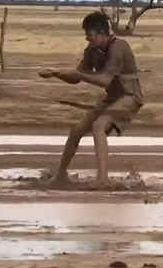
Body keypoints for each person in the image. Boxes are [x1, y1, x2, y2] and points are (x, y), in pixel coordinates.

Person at [39, 12, 144, 188]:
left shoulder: (118, 47)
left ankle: (103, 179)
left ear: (102, 33)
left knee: (99, 126)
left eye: (91, 35)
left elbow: (105, 80)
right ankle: (60, 175)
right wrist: (56, 74)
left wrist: (78, 74)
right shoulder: (91, 51)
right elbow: (77, 77)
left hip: (130, 96)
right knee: (77, 130)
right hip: (112, 98)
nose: (88, 39)